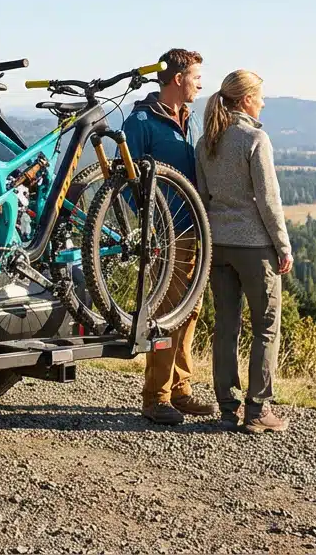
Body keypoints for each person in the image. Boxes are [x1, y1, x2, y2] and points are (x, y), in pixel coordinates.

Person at [121, 48, 219, 425]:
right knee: (166, 311)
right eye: (196, 77)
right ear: (178, 79)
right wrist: (151, 219)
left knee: (191, 310)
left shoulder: (192, 119)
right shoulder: (141, 121)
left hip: (196, 230)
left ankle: (180, 389)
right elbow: (125, 181)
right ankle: (155, 396)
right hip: (164, 232)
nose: (200, 84)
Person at [195, 69, 292, 434]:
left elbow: (203, 200)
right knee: (266, 326)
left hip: (218, 245)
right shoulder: (255, 139)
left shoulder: (205, 143)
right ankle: (257, 409)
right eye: (260, 96)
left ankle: (226, 406)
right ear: (247, 99)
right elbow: (269, 200)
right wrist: (282, 245)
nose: (263, 102)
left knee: (226, 326)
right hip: (255, 247)